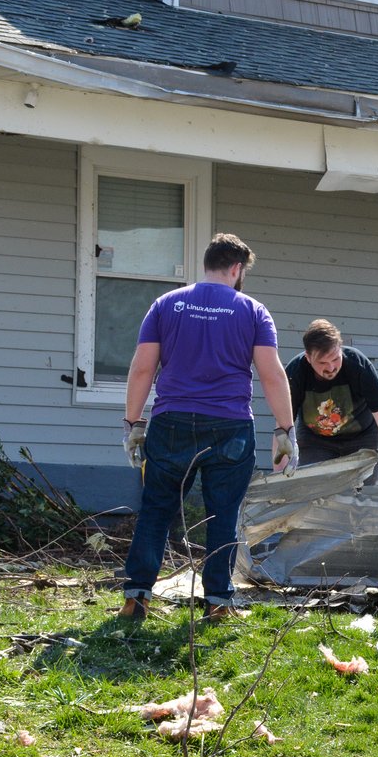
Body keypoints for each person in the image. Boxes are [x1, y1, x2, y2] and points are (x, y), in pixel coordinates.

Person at [119, 233, 296, 621]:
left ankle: (137, 598)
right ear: (236, 269)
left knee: (156, 510)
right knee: (223, 515)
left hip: (172, 423)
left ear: (208, 264)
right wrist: (285, 429)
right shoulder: (253, 311)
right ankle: (217, 604)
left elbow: (143, 367)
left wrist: (133, 422)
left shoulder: (166, 304)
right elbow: (271, 375)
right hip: (230, 426)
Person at [284, 320, 378, 464]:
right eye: (322, 363)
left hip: (364, 436)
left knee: (369, 485)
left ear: (341, 348)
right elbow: (283, 428)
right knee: (312, 484)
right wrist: (279, 475)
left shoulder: (359, 366)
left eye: (335, 359)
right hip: (314, 440)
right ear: (308, 358)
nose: (331, 367)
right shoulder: (295, 373)